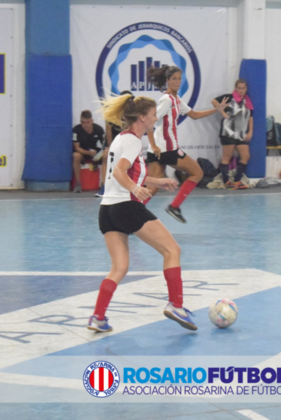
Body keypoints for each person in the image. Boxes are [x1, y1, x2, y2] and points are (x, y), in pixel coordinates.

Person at [88, 93, 198, 332]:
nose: (156, 118)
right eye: (153, 115)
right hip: (126, 206)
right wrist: (135, 189)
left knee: (119, 268)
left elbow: (127, 172)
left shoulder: (122, 139)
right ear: (142, 118)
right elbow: (119, 172)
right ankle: (176, 306)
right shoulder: (133, 142)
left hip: (107, 210)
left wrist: (156, 181)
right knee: (172, 250)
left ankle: (98, 317)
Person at [146, 65, 229, 223]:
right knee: (197, 173)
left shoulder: (177, 100)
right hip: (166, 149)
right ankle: (175, 206)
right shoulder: (167, 99)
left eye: (179, 78)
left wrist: (216, 109)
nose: (177, 81)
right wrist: (155, 145)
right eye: (174, 79)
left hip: (157, 149)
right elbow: (151, 120)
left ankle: (130, 214)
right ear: (168, 81)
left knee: (153, 187)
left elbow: (195, 115)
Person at [211, 79, 254, 189]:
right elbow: (214, 101)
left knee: (245, 156)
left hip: (241, 132)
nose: (241, 90)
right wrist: (222, 112)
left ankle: (237, 180)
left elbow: (250, 117)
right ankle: (226, 182)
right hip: (228, 131)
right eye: (239, 88)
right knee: (227, 156)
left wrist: (250, 131)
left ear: (246, 89)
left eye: (243, 88)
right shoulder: (229, 98)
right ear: (236, 88)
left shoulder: (247, 102)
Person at [97, 90, 133, 198]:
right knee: (106, 158)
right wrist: (110, 147)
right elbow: (108, 131)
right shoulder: (112, 113)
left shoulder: (133, 114)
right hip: (112, 141)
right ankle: (105, 186)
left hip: (126, 141)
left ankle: (128, 186)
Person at [72, 110, 104, 193]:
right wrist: (89, 153)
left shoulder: (99, 130)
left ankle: (104, 184)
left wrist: (99, 155)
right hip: (83, 153)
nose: (85, 125)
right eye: (83, 122)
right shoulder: (76, 130)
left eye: (87, 122)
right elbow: (77, 148)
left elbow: (105, 146)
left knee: (107, 155)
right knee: (76, 156)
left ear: (92, 121)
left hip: (95, 154)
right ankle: (78, 184)